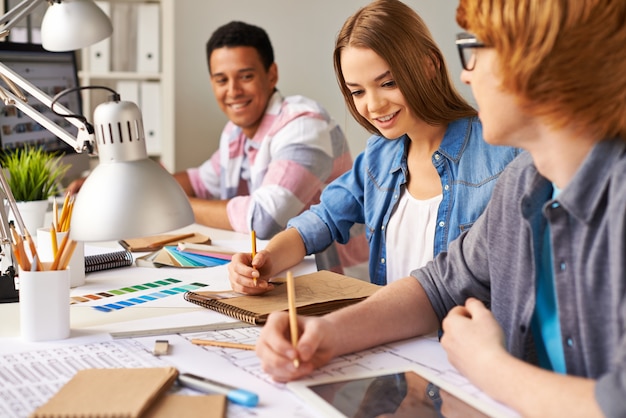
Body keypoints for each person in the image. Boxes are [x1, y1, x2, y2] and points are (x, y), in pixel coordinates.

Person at [254, 0, 626, 417]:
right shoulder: (525, 182)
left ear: (538, 62)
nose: (465, 73)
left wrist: (489, 366)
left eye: (474, 50)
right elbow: (437, 287)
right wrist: (327, 333)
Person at [227, 0, 518, 291]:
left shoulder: (504, 153)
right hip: (385, 334)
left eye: (388, 83)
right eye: (357, 91)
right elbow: (322, 220)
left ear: (430, 65)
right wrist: (265, 261)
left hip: (462, 336)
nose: (374, 105)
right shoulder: (379, 156)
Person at [68, 22, 358, 244]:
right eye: (221, 79)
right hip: (279, 273)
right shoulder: (235, 132)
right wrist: (119, 189)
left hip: (333, 283)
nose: (232, 91)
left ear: (271, 75)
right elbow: (199, 182)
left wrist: (167, 206)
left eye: (246, 76)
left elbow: (264, 220)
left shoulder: (304, 125)